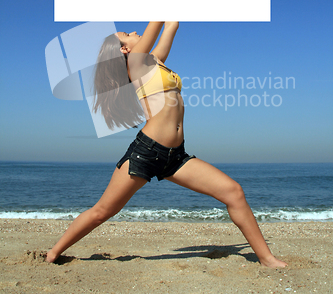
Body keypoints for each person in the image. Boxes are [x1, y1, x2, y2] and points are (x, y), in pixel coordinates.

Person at [46, 22, 287, 268]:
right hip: (147, 152)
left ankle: (267, 259)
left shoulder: (154, 62)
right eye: (127, 35)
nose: (134, 32)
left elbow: (171, 22)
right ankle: (53, 254)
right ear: (124, 51)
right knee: (102, 212)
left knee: (233, 192)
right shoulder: (136, 64)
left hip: (176, 156)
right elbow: (158, 19)